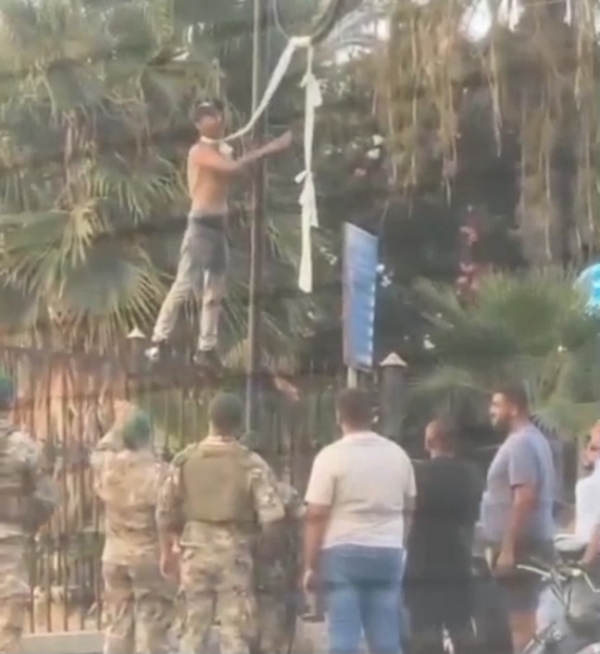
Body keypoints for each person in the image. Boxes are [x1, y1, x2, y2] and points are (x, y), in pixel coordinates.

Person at [145, 100, 293, 369]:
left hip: (219, 223)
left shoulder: (224, 150)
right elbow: (229, 168)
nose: (215, 120)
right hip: (200, 223)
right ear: (199, 124)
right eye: (208, 117)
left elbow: (240, 174)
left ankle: (206, 347)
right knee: (185, 283)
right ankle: (159, 339)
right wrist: (269, 149)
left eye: (216, 114)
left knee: (215, 287)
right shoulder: (199, 151)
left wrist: (253, 155)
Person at [156, 392, 286, 654]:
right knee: (235, 632)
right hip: (234, 551)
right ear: (239, 423)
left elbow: (164, 511)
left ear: (210, 420)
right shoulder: (250, 463)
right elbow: (273, 517)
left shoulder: (185, 460)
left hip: (194, 550)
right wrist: (265, 551)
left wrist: (167, 551)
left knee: (192, 630)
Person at [303, 387, 416, 654]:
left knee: (344, 635)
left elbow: (316, 515)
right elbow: (410, 507)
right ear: (372, 416)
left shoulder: (330, 457)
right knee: (386, 636)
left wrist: (310, 564)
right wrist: (399, 543)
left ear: (338, 416)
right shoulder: (398, 455)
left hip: (343, 553)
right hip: (388, 551)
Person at [92, 408, 175, 654]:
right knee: (152, 626)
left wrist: (116, 429)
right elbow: (167, 515)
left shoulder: (106, 467)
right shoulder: (160, 472)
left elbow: (100, 448)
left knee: (118, 624)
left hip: (114, 554)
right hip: (147, 555)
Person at [481, 383, 556, 653]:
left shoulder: (521, 443)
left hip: (522, 544)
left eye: (496, 404)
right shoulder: (535, 439)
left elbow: (525, 496)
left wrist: (508, 547)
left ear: (513, 408)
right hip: (532, 539)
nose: (491, 411)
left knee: (519, 620)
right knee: (524, 616)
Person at [404, 419, 484, 654]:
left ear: (429, 442)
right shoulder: (472, 474)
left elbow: (409, 513)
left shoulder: (418, 475)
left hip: (423, 562)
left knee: (425, 632)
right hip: (458, 558)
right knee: (461, 627)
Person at [0, 373, 57, 652]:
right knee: (8, 630)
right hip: (9, 545)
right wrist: (25, 525)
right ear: (10, 403)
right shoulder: (24, 446)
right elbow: (47, 499)